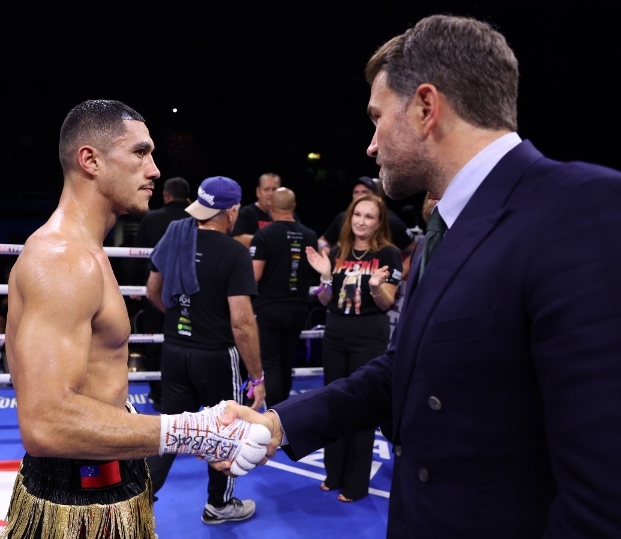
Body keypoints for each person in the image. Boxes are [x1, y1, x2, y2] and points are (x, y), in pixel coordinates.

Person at [222, 14, 621, 537]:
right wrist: (280, 424)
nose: (371, 144)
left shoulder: (583, 207)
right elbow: (408, 368)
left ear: (426, 108)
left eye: (377, 117)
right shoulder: (448, 225)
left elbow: (603, 495)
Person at [0, 100, 270, 538]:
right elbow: (45, 423)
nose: (155, 170)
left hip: (103, 475)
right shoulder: (63, 259)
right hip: (76, 499)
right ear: (90, 160)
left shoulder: (86, 251)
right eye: (140, 152)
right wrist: (194, 431)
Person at [144, 176, 266, 525]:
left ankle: (134, 503)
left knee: (170, 433)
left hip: (175, 351)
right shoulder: (234, 252)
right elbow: (242, 323)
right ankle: (219, 505)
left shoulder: (175, 236)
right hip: (216, 356)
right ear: (232, 211)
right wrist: (257, 377)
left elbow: (152, 290)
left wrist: (184, 320)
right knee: (227, 431)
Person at [305, 194, 402, 502]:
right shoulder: (338, 251)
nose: (361, 221)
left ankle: (356, 483)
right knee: (333, 403)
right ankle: (333, 473)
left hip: (368, 336)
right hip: (335, 334)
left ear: (379, 222)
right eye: (357, 214)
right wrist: (325, 277)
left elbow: (387, 302)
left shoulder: (389, 254)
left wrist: (375, 288)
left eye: (369, 216)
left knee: (362, 405)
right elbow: (325, 300)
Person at [249, 187, 317, 407]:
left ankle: (274, 413)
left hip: (269, 308)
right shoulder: (309, 235)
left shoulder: (264, 235)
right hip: (298, 308)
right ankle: (283, 412)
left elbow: (254, 275)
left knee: (272, 364)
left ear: (270, 206)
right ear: (293, 207)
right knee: (286, 362)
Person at [128, 176, 191, 409]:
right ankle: (186, 391)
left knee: (155, 340)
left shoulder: (152, 218)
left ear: (166, 195)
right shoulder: (195, 219)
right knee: (188, 338)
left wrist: (134, 286)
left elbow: (137, 255)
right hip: (189, 290)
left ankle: (157, 393)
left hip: (157, 289)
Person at [317, 176, 416, 260]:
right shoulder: (343, 218)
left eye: (364, 192)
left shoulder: (390, 221)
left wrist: (401, 273)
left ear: (374, 195)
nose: (359, 196)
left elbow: (415, 249)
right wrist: (324, 248)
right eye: (356, 192)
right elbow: (324, 240)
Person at [231, 172, 281, 248]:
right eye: (266, 189)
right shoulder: (246, 213)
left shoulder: (286, 214)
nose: (271, 193)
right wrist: (270, 240)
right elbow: (236, 239)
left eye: (274, 189)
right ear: (258, 192)